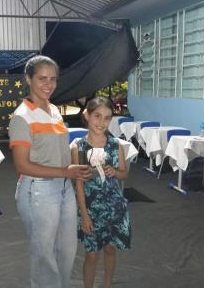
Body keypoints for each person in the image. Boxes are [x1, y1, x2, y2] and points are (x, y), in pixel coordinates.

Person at [8, 55, 91, 288]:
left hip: (64, 187)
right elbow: (22, 166)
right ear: (28, 78)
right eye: (42, 78)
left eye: (53, 79)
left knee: (66, 250)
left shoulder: (54, 109)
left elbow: (57, 147)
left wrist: (76, 161)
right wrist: (67, 171)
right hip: (38, 190)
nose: (49, 84)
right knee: (44, 255)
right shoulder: (21, 117)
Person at [70, 96, 131, 288]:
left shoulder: (116, 145)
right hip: (90, 208)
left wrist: (115, 172)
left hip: (114, 207)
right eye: (97, 116)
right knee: (91, 253)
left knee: (110, 249)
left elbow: (123, 174)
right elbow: (78, 184)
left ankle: (107, 285)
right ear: (87, 115)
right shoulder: (78, 147)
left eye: (107, 117)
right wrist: (84, 215)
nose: (101, 122)